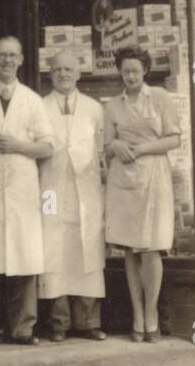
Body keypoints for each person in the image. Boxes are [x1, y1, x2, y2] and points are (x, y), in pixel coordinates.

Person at [0, 36, 55, 346]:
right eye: (2, 55)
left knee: (24, 257)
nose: (7, 60)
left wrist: (20, 146)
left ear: (21, 60)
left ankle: (22, 329)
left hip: (21, 188)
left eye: (13, 55)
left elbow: (48, 146)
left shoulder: (32, 100)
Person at [103, 46, 181, 343]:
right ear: (120, 73)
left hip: (153, 176)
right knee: (130, 250)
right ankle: (137, 315)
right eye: (126, 71)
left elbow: (174, 138)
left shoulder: (159, 98)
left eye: (135, 71)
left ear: (145, 71)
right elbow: (107, 143)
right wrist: (116, 147)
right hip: (124, 179)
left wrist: (142, 149)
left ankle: (152, 315)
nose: (131, 76)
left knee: (150, 249)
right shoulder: (112, 106)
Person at [38, 50, 107, 342]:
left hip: (86, 189)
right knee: (54, 251)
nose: (63, 74)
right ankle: (59, 323)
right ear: (50, 74)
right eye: (57, 70)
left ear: (78, 74)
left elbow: (102, 149)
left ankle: (88, 321)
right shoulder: (40, 107)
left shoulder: (94, 108)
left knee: (87, 252)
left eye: (68, 69)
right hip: (52, 188)